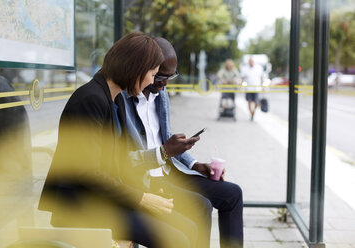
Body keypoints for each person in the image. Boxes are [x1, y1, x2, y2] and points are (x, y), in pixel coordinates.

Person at [38, 32, 198, 248]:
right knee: (177, 239)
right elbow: (87, 173)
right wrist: (141, 198)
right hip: (84, 206)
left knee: (188, 227)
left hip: (105, 200)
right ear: (136, 70)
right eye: (152, 74)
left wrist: (146, 189)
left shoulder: (113, 99)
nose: (153, 81)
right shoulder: (90, 100)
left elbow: (115, 162)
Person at [122, 37, 243, 248]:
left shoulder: (161, 94)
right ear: (144, 68)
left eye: (171, 77)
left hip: (171, 170)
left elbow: (166, 135)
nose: (165, 83)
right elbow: (123, 158)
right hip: (147, 177)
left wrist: (195, 165)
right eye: (160, 76)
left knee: (233, 194)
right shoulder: (123, 98)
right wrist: (163, 152)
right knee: (201, 206)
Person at [241, 57, 264, 121]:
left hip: (256, 88)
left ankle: (253, 113)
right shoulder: (245, 69)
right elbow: (242, 78)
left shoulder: (258, 68)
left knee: (256, 102)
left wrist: (262, 86)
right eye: (249, 61)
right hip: (249, 88)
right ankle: (251, 115)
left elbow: (261, 77)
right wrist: (242, 86)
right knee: (249, 102)